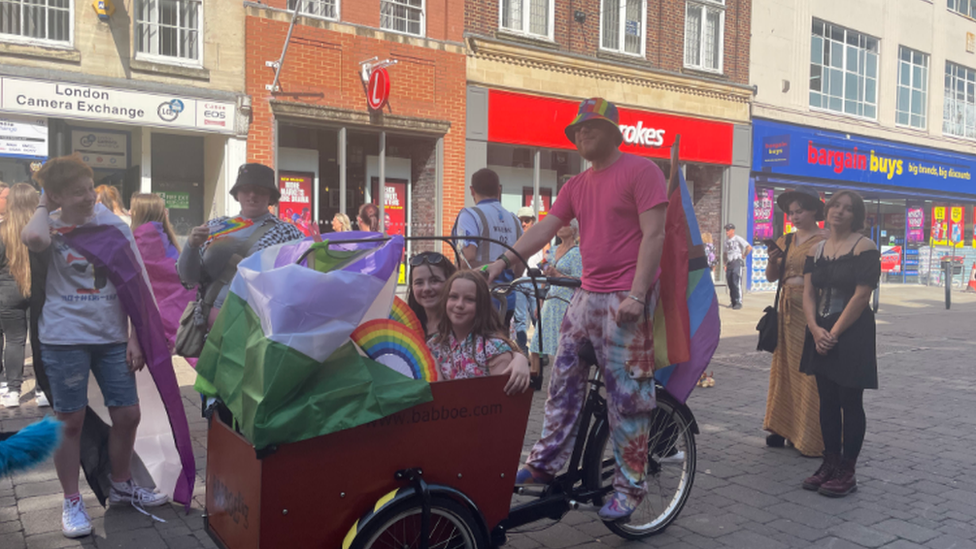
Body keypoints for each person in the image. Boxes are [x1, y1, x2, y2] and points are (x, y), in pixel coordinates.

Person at [486, 97, 668, 520]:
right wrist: (499, 264)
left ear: (613, 132)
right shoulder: (577, 185)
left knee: (628, 398)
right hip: (587, 293)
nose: (582, 134)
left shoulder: (642, 171)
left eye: (592, 128)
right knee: (561, 380)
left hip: (626, 297)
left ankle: (629, 490)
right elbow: (546, 228)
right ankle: (546, 464)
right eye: (577, 130)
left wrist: (638, 294)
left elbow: (654, 235)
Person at [22, 155, 169, 538]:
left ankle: (121, 485)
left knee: (128, 415)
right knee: (69, 422)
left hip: (111, 337)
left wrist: (136, 334)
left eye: (90, 188)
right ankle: (72, 501)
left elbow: (134, 284)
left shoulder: (113, 227)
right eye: (77, 192)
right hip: (62, 337)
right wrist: (43, 201)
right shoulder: (49, 228)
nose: (89, 197)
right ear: (55, 196)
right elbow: (32, 238)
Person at [800, 190, 880, 498]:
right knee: (827, 400)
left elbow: (862, 295)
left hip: (852, 331)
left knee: (850, 400)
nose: (839, 212)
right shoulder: (817, 250)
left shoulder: (865, 247)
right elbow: (809, 293)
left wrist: (833, 332)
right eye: (835, 206)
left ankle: (848, 470)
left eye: (848, 209)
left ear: (856, 216)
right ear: (828, 209)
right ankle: (829, 463)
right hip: (819, 329)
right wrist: (815, 328)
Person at [178, 164, 304, 326]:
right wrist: (191, 245)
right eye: (246, 189)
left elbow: (301, 280)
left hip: (259, 329)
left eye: (260, 190)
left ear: (271, 196)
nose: (252, 195)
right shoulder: (216, 226)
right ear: (237, 194)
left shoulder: (288, 233)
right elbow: (189, 278)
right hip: (209, 329)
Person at [763, 187, 826, 456]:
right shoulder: (786, 239)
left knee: (809, 372)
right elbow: (771, 277)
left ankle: (809, 433)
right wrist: (773, 261)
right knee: (784, 370)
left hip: (813, 308)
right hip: (786, 307)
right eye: (791, 212)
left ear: (813, 210)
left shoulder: (825, 239)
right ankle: (782, 426)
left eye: (799, 211)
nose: (795, 216)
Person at [427, 271, 530, 395]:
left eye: (470, 299)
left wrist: (520, 357)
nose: (459, 305)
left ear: (482, 305)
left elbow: (503, 401)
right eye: (453, 297)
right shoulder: (434, 346)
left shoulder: (494, 348)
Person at [452, 168, 523, 324]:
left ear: (472, 190)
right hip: (508, 298)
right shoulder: (515, 220)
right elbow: (520, 263)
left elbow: (468, 257)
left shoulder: (469, 214)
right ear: (499, 189)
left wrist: (450, 278)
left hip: (480, 297)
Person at [130, 193, 194, 350]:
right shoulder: (163, 235)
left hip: (158, 314)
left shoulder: (144, 237)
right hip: (177, 311)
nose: (129, 213)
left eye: (132, 209)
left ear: (140, 212)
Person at [0, 184, 39, 408]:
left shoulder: (2, 230)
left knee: (14, 341)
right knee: (39, 339)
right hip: (37, 291)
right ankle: (43, 390)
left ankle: (13, 391)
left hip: (7, 291)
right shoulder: (43, 229)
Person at [529, 219, 581, 365]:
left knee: (561, 346)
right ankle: (535, 381)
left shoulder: (577, 253)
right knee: (535, 344)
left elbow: (579, 280)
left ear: (573, 230)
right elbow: (544, 269)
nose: (560, 227)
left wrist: (558, 274)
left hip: (565, 303)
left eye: (565, 224)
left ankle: (558, 379)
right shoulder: (553, 249)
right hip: (550, 300)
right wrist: (540, 301)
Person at [513, 206, 544, 352]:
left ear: (532, 221)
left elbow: (546, 260)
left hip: (534, 282)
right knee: (519, 319)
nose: (524, 224)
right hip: (519, 282)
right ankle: (522, 350)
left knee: (536, 316)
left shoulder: (541, 238)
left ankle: (539, 351)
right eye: (521, 221)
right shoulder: (515, 240)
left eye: (527, 221)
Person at [407, 251, 458, 338]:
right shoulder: (407, 327)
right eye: (419, 283)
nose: (426, 288)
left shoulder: (461, 326)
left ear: (450, 282)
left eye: (434, 280)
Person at [724, 223, 751, 309]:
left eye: (728, 230)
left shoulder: (738, 239)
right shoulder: (726, 241)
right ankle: (733, 301)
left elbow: (749, 247)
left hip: (737, 261)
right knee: (730, 282)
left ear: (733, 230)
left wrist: (744, 255)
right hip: (729, 262)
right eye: (726, 230)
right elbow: (725, 253)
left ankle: (738, 301)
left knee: (736, 281)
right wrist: (724, 264)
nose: (727, 231)